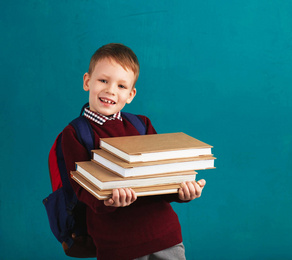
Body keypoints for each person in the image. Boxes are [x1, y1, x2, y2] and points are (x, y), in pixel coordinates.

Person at [61, 43, 206, 260]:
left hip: (165, 235)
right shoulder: (75, 133)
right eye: (103, 80)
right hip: (117, 244)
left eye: (121, 86)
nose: (111, 90)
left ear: (131, 94)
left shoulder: (141, 125)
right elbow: (82, 191)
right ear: (87, 81)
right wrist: (108, 201)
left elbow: (159, 177)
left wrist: (182, 192)